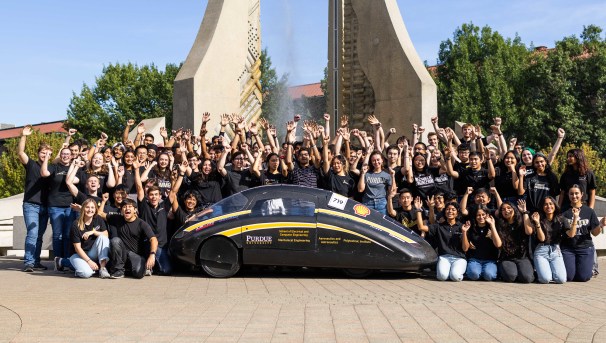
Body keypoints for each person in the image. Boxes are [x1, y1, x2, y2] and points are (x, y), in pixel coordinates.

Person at [98, 196, 157, 279]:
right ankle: (119, 271)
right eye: (124, 207)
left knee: (138, 274)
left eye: (130, 206)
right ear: (121, 210)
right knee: (115, 240)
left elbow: (153, 239)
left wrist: (152, 255)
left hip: (135, 255)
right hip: (122, 255)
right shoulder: (118, 219)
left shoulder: (141, 223)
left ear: (135, 210)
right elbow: (100, 213)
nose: (127, 208)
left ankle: (139, 266)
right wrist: (103, 201)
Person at [18, 125, 51, 272]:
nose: (45, 155)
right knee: (32, 232)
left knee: (39, 236)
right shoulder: (31, 164)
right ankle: (29, 263)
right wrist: (23, 135)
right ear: (38, 153)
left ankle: (36, 261)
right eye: (43, 153)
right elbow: (20, 153)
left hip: (45, 206)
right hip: (31, 204)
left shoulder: (50, 168)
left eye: (47, 153)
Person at [135, 160, 172, 276]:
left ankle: (152, 266)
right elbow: (139, 188)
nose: (154, 197)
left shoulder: (164, 206)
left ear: (160, 196)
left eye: (156, 194)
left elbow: (174, 192)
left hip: (162, 245)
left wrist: (180, 175)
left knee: (166, 270)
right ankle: (147, 264)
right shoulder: (144, 206)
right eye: (151, 195)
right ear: (148, 196)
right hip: (148, 243)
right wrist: (136, 170)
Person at [560, 185, 605, 282]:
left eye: (577, 193)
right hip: (568, 248)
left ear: (582, 195)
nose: (574, 196)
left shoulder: (589, 211)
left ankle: (591, 269)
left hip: (584, 247)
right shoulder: (563, 211)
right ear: (568, 195)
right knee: (569, 277)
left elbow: (595, 233)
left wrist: (601, 225)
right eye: (571, 193)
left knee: (583, 277)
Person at [417, 202, 469, 281]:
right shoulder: (439, 226)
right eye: (447, 209)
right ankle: (449, 272)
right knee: (442, 277)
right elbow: (421, 227)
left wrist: (464, 232)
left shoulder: (462, 227)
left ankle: (454, 273)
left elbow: (465, 249)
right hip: (444, 257)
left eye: (453, 209)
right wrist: (418, 210)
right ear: (444, 212)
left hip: (459, 258)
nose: (450, 211)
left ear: (457, 212)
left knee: (455, 277)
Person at [41, 147, 74, 264]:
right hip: (55, 205)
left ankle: (66, 261)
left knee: (67, 234)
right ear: (60, 156)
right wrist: (46, 158)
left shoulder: (74, 167)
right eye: (63, 154)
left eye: (68, 154)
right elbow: (44, 173)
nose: (65, 156)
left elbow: (76, 181)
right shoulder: (54, 167)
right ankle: (57, 260)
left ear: (71, 156)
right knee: (57, 235)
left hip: (70, 206)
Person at [67, 198, 110, 279]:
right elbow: (77, 248)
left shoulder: (98, 219)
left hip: (92, 253)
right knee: (87, 273)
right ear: (83, 208)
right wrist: (89, 262)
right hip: (78, 255)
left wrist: (93, 232)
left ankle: (102, 269)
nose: (90, 210)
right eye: (87, 207)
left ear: (95, 209)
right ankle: (69, 265)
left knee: (103, 238)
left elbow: (106, 234)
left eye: (92, 207)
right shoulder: (76, 224)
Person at [495, 201, 534, 283]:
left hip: (522, 257)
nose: (506, 210)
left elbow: (529, 232)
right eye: (503, 209)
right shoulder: (499, 224)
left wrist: (524, 212)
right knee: (510, 277)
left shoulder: (522, 221)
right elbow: (499, 245)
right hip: (506, 258)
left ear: (514, 209)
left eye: (509, 208)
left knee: (527, 278)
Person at [531, 196, 567, 284]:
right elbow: (542, 238)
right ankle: (538, 272)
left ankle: (545, 270)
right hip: (541, 250)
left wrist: (575, 220)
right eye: (546, 204)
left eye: (551, 204)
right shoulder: (539, 219)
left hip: (555, 250)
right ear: (542, 207)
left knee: (561, 279)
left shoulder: (561, 218)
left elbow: (571, 234)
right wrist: (537, 223)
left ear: (555, 205)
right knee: (545, 279)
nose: (548, 206)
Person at [464, 205, 501, 281]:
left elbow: (498, 245)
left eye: (483, 215)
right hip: (474, 259)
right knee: (474, 275)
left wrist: (492, 225)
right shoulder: (471, 227)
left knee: (489, 276)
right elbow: (465, 247)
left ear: (487, 215)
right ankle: (479, 272)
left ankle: (483, 272)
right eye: (478, 215)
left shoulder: (493, 227)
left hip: (490, 260)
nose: (481, 217)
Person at [358, 150, 396, 214]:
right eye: (374, 160)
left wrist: (393, 177)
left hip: (382, 203)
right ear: (371, 162)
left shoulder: (387, 175)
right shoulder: (367, 174)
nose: (376, 162)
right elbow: (360, 189)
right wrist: (363, 174)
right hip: (367, 202)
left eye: (378, 160)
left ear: (382, 160)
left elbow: (392, 191)